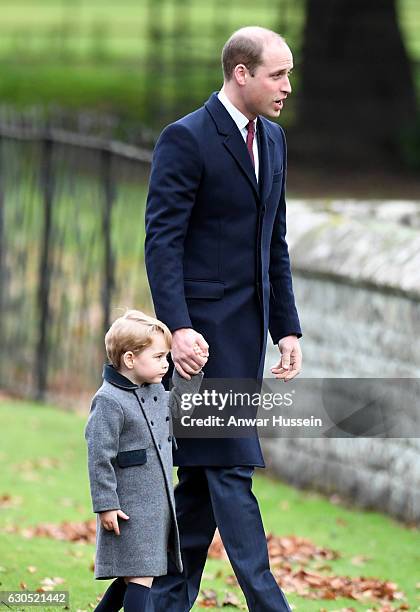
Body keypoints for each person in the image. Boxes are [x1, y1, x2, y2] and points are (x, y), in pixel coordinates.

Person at [145, 26, 302, 612]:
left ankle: (148, 605)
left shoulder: (277, 140)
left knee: (199, 494)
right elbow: (162, 242)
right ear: (242, 74)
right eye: (277, 74)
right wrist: (178, 328)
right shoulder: (185, 139)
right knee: (232, 470)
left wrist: (286, 328)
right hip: (201, 350)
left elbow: (274, 243)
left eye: (288, 73)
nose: (287, 85)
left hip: (248, 340)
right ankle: (270, 604)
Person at [84, 310, 205, 612]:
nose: (166, 364)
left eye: (167, 357)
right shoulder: (109, 400)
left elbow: (178, 414)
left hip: (157, 510)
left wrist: (191, 375)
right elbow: (99, 457)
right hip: (128, 510)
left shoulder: (154, 390)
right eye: (159, 357)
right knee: (140, 578)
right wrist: (106, 504)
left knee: (135, 576)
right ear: (129, 360)